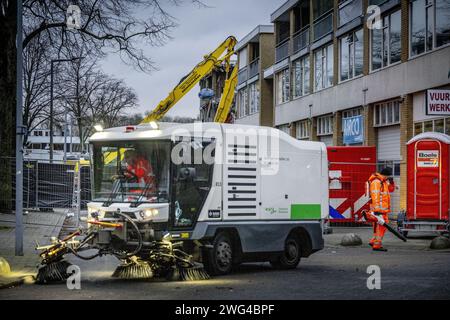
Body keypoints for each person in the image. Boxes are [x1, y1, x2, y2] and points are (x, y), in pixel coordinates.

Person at [365, 167, 395, 252]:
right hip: (378, 210)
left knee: (379, 226)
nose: (388, 178)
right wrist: (377, 210)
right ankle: (377, 244)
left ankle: (374, 241)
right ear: (385, 175)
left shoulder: (383, 182)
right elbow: (375, 196)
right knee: (381, 226)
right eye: (388, 176)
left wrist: (392, 183)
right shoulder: (377, 182)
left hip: (381, 210)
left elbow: (391, 190)